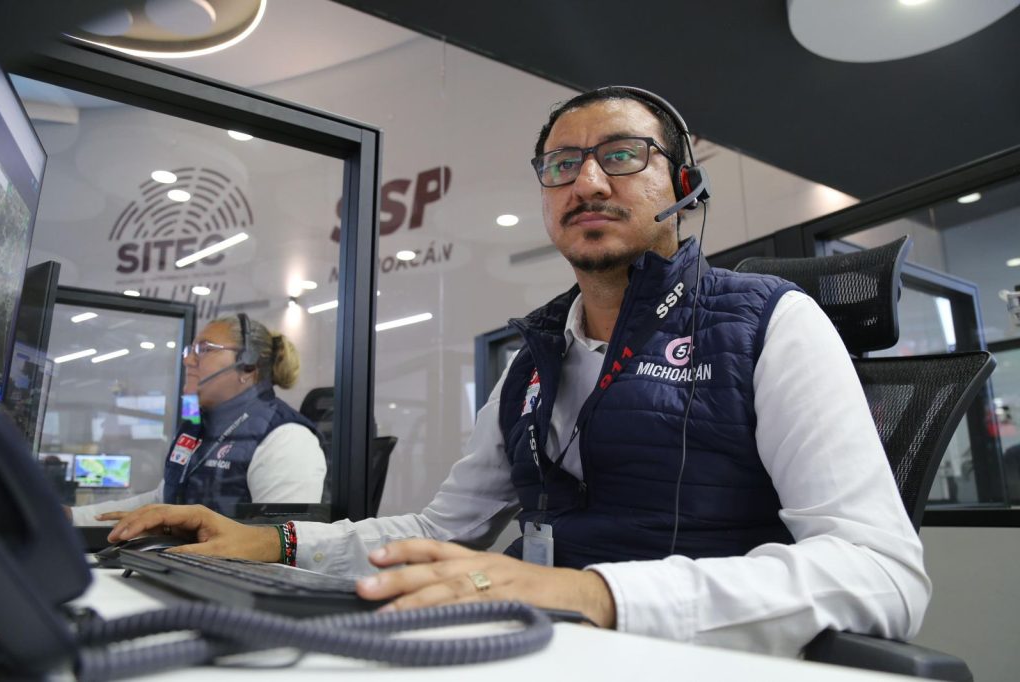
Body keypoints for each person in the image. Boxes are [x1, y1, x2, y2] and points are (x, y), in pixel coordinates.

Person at [105, 87, 930, 656]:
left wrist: (589, 593)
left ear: (683, 185)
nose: (588, 181)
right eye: (561, 165)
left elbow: (882, 573)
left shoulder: (772, 322)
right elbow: (441, 533)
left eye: (623, 155)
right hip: (548, 650)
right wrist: (277, 542)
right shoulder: (534, 360)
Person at [70, 313, 326, 523]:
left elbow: (279, 544)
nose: (188, 360)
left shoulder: (286, 438)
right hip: (181, 565)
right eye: (189, 350)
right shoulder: (197, 425)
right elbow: (164, 501)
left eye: (204, 349)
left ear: (247, 366)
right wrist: (74, 517)